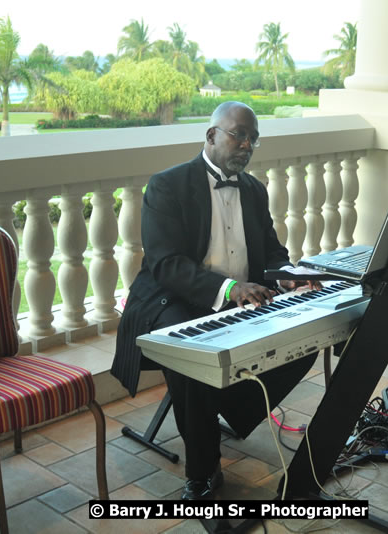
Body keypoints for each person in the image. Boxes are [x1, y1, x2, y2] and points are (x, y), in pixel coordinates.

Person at [113, 101, 319, 500]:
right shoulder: (167, 185)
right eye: (239, 134)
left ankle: (228, 409)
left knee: (302, 343)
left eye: (253, 139)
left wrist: (290, 277)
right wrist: (228, 289)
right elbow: (165, 263)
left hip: (242, 298)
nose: (246, 145)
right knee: (192, 360)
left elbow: (273, 253)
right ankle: (204, 470)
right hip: (171, 297)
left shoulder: (255, 190)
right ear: (211, 135)